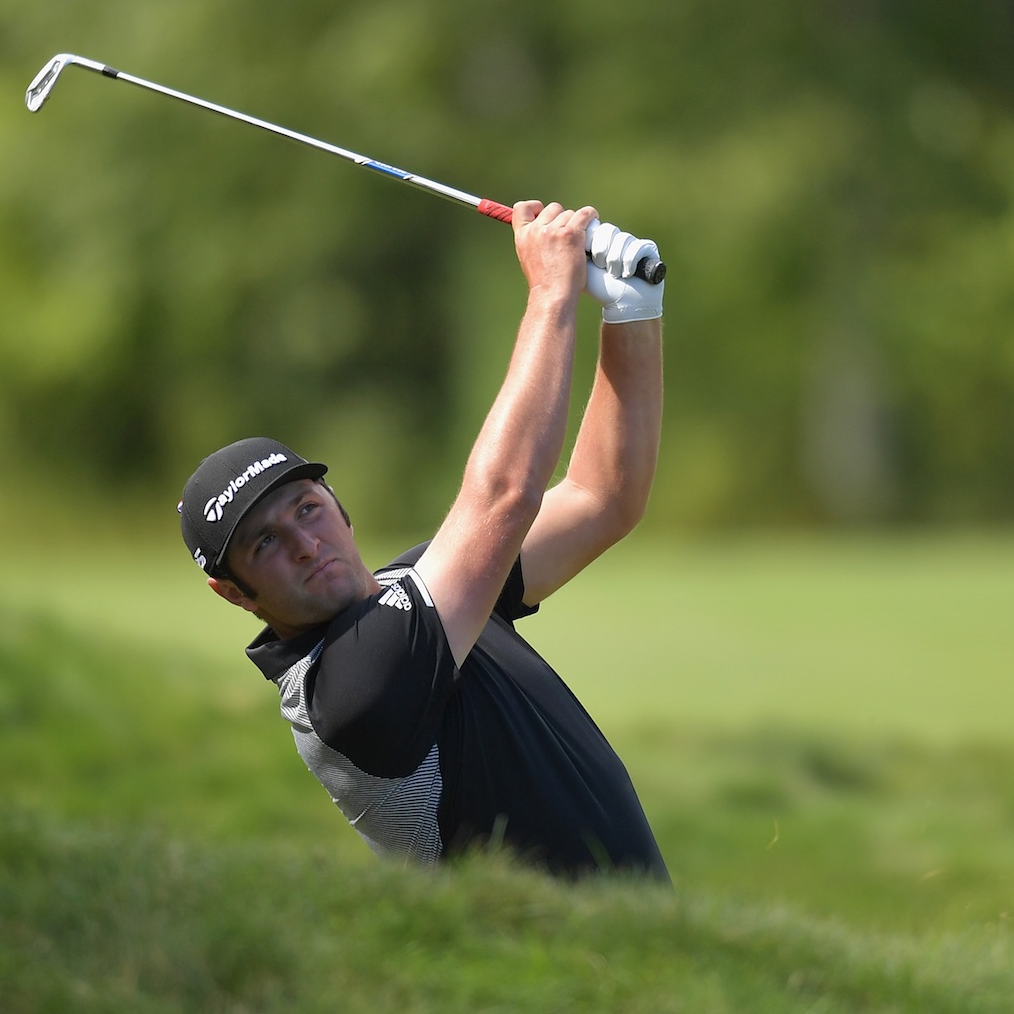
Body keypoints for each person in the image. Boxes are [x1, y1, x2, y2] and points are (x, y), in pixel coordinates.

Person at [177, 201, 667, 879]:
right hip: (533, 946)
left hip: (633, 933)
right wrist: (551, 294)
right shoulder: (346, 692)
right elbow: (505, 495)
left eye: (307, 509)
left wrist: (632, 310)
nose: (304, 543)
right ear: (234, 593)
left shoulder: (422, 588)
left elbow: (601, 497)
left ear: (339, 506)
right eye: (264, 544)